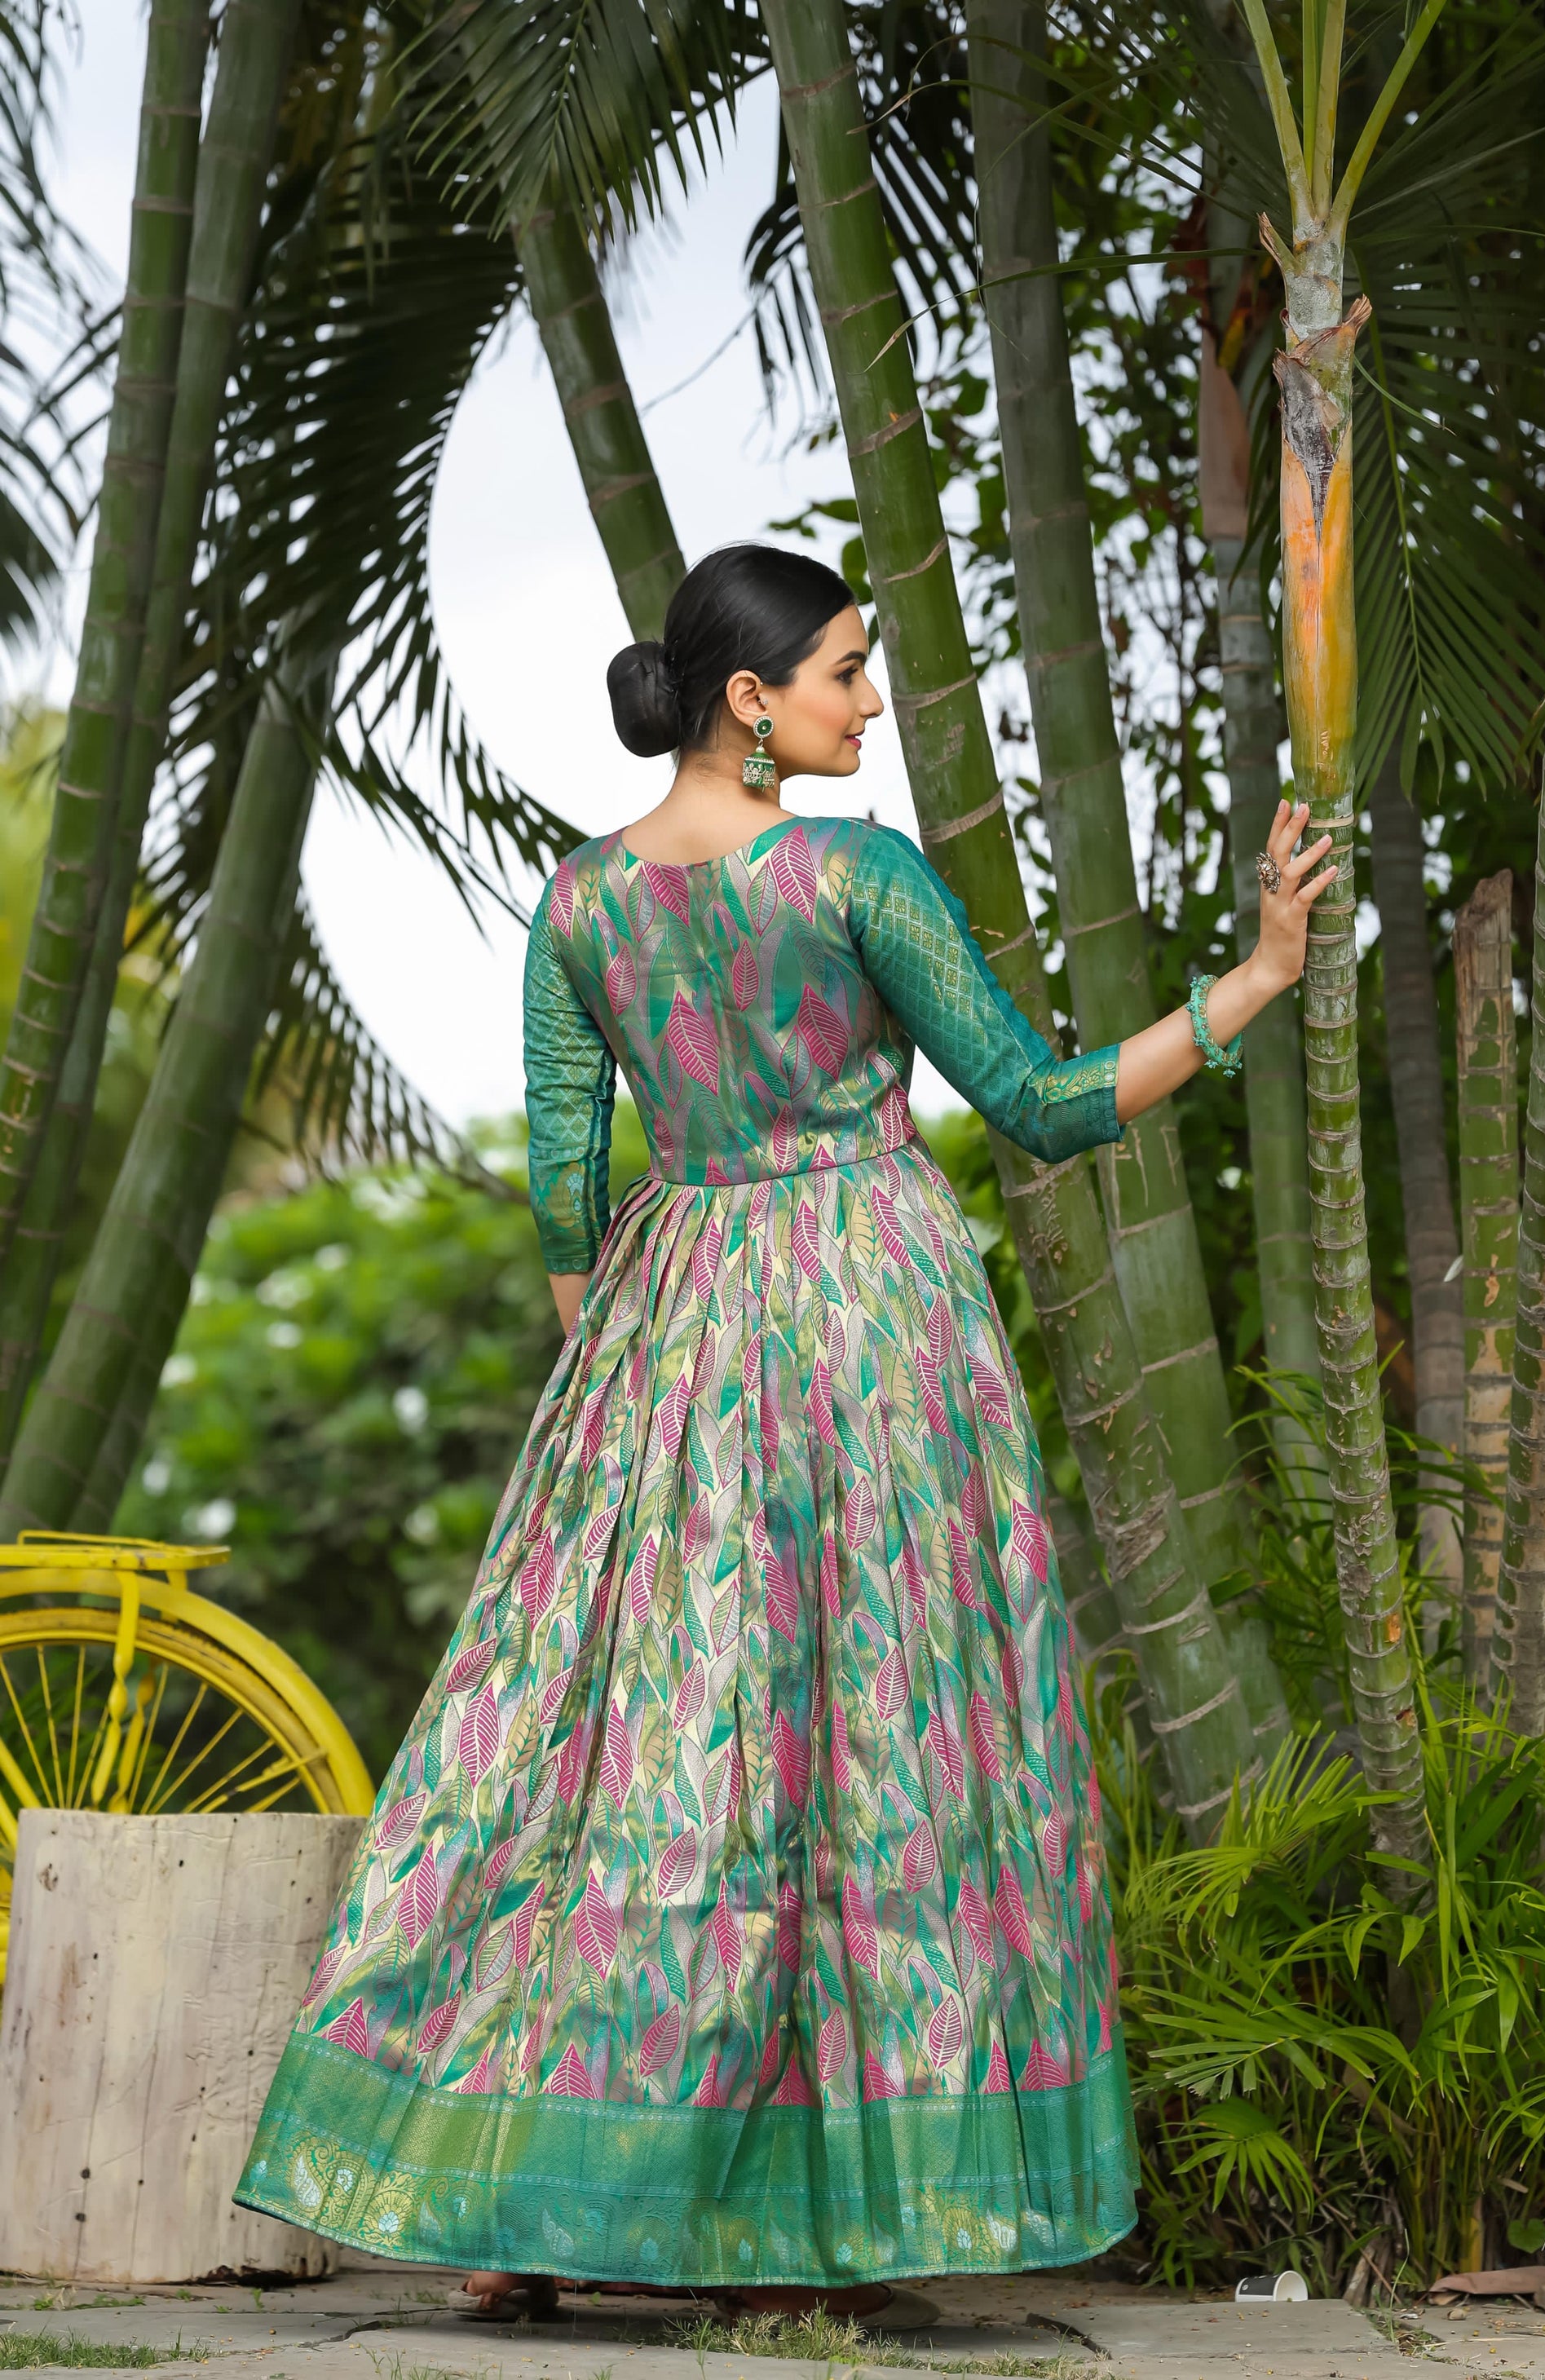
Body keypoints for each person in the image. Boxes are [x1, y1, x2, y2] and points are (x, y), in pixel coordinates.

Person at [236, 543, 1333, 2308]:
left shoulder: (580, 904)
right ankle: (833, 2217)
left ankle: (522, 2204)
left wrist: (617, 1373)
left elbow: (565, 1182)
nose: (869, 701)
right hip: (871, 1328)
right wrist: (1259, 976)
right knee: (870, 1758)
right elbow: (1042, 1103)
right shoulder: (852, 877)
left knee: (624, 1759)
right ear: (750, 699)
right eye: (843, 670)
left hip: (665, 1335)